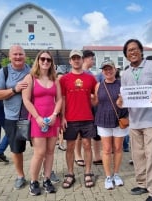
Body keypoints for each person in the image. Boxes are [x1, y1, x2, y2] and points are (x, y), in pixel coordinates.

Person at [117, 39, 152, 201]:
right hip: (135, 122)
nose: (132, 52)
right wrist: (120, 102)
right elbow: (125, 97)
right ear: (126, 55)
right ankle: (142, 184)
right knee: (138, 155)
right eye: (128, 51)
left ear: (141, 51)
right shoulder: (125, 73)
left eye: (134, 49)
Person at [22, 50, 62, 195]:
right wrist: (38, 118)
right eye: (43, 59)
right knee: (39, 152)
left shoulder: (54, 79)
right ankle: (33, 181)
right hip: (37, 121)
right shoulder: (30, 78)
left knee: (51, 152)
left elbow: (59, 100)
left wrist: (54, 115)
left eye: (48, 60)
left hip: (52, 120)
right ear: (38, 60)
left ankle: (47, 179)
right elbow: (26, 100)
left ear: (51, 63)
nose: (45, 62)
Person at [0, 45, 30, 190]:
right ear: (10, 57)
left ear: (25, 56)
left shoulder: (32, 70)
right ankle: (20, 176)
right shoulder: (4, 72)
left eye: (20, 54)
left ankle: (47, 172)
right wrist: (15, 89)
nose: (18, 57)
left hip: (31, 116)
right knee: (16, 149)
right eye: (15, 54)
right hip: (13, 117)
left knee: (42, 147)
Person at [60, 50, 97, 188]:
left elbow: (97, 95)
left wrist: (95, 102)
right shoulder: (64, 79)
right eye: (73, 58)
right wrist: (62, 117)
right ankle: (70, 173)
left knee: (87, 146)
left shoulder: (90, 78)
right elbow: (62, 99)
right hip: (70, 119)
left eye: (78, 58)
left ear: (82, 60)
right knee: (70, 147)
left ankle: (88, 172)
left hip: (87, 118)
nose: (76, 60)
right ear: (70, 61)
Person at [92, 60, 128, 190]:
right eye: (105, 69)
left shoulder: (122, 84)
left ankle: (116, 174)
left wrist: (122, 102)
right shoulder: (98, 85)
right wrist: (90, 99)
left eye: (110, 68)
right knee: (107, 149)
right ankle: (108, 176)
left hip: (120, 119)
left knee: (118, 148)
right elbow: (96, 102)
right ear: (102, 71)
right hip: (103, 119)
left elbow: (128, 102)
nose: (108, 71)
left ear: (115, 69)